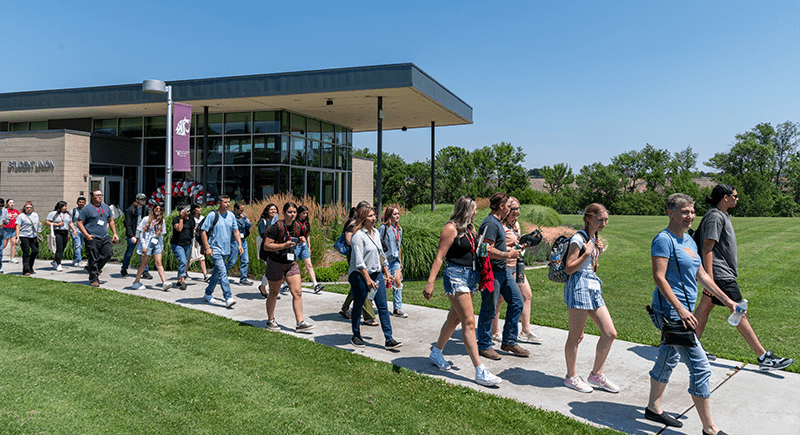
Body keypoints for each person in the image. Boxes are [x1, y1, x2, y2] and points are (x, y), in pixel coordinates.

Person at [645, 193, 736, 435]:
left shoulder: (688, 240)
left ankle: (653, 408)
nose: (690, 216)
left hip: (682, 311)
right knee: (701, 368)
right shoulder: (663, 240)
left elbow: (702, 275)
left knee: (668, 357)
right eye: (685, 212)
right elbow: (659, 277)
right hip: (672, 312)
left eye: (692, 212)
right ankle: (710, 429)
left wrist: (727, 300)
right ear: (671, 212)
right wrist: (681, 310)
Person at [693, 184, 793, 371]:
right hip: (719, 273)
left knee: (705, 307)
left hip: (719, 273)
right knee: (739, 310)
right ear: (725, 197)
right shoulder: (715, 216)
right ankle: (764, 357)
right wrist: (710, 279)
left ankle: (691, 347)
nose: (737, 199)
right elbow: (707, 247)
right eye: (735, 196)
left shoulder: (721, 215)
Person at [423, 196, 502, 386]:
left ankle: (436, 351)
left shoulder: (470, 229)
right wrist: (430, 282)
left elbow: (473, 252)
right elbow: (440, 257)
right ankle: (480, 370)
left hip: (470, 277)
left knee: (454, 319)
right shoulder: (451, 228)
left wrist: (483, 249)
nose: (476, 213)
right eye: (474, 209)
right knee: (468, 322)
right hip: (455, 276)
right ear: (466, 209)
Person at [561, 203, 619, 393]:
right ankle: (571, 376)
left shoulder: (593, 237)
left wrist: (596, 253)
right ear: (588, 219)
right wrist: (587, 253)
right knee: (576, 336)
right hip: (578, 287)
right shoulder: (578, 239)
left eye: (605, 220)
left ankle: (596, 374)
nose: (603, 223)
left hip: (592, 287)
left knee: (610, 332)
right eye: (599, 219)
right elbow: (570, 268)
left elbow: (587, 265)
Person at [476, 192, 527, 360]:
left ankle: (509, 341)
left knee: (517, 302)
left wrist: (513, 248)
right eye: (509, 206)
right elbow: (485, 249)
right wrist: (508, 254)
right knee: (489, 308)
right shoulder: (490, 223)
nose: (511, 210)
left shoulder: (497, 223)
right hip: (492, 272)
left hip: (502, 270)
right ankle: (484, 346)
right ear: (501, 207)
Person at [347, 204, 402, 350]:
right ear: (363, 218)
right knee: (359, 305)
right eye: (370, 216)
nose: (374, 218)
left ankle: (389, 339)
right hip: (359, 274)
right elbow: (359, 262)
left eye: (374, 215)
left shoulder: (376, 232)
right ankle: (356, 335)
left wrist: (386, 271)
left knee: (383, 306)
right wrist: (368, 279)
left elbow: (380, 255)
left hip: (376, 273)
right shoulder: (358, 236)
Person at [490, 198, 543, 344]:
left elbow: (516, 245)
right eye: (512, 209)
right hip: (504, 266)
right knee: (500, 300)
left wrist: (525, 243)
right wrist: (511, 249)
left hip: (517, 266)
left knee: (527, 295)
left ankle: (525, 331)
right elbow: (494, 248)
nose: (516, 212)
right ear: (505, 209)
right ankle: (494, 331)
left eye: (518, 208)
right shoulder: (500, 226)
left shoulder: (516, 225)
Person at [262, 202, 315, 332]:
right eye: (290, 212)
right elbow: (267, 245)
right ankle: (270, 320)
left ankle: (300, 323)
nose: (292, 215)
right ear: (284, 213)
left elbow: (296, 239)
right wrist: (283, 245)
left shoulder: (297, 226)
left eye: (294, 212)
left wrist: (301, 241)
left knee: (297, 292)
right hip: (275, 262)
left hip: (291, 263)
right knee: (274, 293)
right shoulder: (276, 227)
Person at [199, 194, 241, 308]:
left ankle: (208, 293)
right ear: (219, 203)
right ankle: (228, 297)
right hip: (215, 249)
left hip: (226, 250)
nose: (228, 204)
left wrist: (239, 245)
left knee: (217, 273)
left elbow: (236, 231)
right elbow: (203, 231)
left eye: (229, 202)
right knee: (222, 272)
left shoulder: (231, 216)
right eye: (225, 202)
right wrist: (207, 248)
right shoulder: (213, 215)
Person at [338, 202, 378, 325]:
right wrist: (360, 241)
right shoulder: (352, 224)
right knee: (364, 285)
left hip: (366, 257)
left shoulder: (371, 228)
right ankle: (369, 317)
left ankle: (345, 308)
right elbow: (349, 241)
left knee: (356, 286)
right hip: (355, 258)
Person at [76, 189, 119, 287]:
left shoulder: (106, 207)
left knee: (108, 253)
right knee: (93, 258)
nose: (99, 197)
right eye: (97, 195)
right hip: (92, 237)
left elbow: (111, 220)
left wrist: (114, 233)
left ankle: (93, 270)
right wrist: (86, 235)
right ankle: (94, 279)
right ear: (92, 197)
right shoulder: (87, 209)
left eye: (101, 195)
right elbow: (79, 222)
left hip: (104, 235)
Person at [130, 204, 172, 291]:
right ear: (153, 210)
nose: (158, 211)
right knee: (144, 264)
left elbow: (161, 236)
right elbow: (141, 233)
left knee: (159, 263)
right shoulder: (146, 219)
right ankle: (136, 282)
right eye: (156, 209)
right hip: (146, 243)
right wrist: (144, 246)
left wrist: (161, 246)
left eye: (160, 209)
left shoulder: (161, 221)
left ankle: (164, 282)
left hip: (156, 243)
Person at [379, 206, 405, 317]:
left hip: (395, 260)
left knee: (397, 282)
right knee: (382, 284)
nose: (397, 216)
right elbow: (378, 245)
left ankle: (397, 308)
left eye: (398, 213)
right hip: (386, 259)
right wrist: (380, 262)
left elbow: (399, 246)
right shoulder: (383, 228)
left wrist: (400, 261)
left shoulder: (399, 229)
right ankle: (368, 304)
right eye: (395, 214)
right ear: (389, 215)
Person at [294, 205, 325, 294]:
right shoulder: (294, 223)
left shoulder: (306, 223)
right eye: (304, 213)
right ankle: (286, 284)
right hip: (296, 246)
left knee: (309, 265)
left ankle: (315, 285)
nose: (305, 215)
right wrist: (299, 238)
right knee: (291, 266)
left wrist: (309, 247)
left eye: (307, 213)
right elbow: (291, 235)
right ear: (299, 213)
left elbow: (308, 235)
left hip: (304, 246)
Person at [121, 193, 152, 279]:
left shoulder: (145, 209)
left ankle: (145, 272)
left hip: (142, 234)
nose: (144, 201)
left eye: (145, 199)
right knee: (129, 252)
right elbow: (128, 224)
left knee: (144, 253)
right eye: (142, 199)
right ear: (137, 200)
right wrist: (131, 236)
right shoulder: (131, 209)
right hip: (133, 234)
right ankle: (124, 268)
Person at [226, 202, 253, 286]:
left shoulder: (243, 215)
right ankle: (220, 274)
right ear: (236, 209)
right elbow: (234, 227)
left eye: (243, 209)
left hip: (243, 240)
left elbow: (248, 226)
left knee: (245, 260)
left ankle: (243, 279)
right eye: (241, 210)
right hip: (233, 240)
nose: (242, 211)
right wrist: (241, 220)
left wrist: (246, 220)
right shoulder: (230, 216)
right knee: (232, 261)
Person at [45, 201, 76, 272]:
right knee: (59, 248)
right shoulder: (53, 213)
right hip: (57, 231)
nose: (66, 207)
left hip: (65, 232)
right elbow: (47, 222)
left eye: (66, 206)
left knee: (62, 248)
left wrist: (73, 231)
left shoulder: (67, 214)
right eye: (64, 206)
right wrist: (57, 224)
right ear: (60, 206)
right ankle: (59, 264)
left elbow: (70, 223)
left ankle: (55, 261)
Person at [257, 202, 279, 298]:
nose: (273, 211)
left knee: (271, 268)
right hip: (266, 248)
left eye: (275, 210)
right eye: (271, 209)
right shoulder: (263, 221)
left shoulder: (279, 222)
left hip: (276, 248)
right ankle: (267, 289)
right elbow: (262, 234)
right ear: (267, 211)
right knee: (271, 268)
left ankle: (263, 286)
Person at [171, 203, 195, 290]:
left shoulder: (191, 218)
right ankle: (182, 280)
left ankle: (179, 279)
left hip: (188, 243)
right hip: (177, 244)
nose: (187, 210)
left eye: (188, 209)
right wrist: (181, 218)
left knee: (184, 262)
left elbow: (192, 229)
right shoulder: (176, 219)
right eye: (185, 209)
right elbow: (179, 229)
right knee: (183, 260)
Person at [16, 201, 41, 276]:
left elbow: (37, 223)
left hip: (33, 236)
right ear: (24, 208)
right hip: (24, 235)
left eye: (30, 207)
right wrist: (17, 237)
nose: (29, 209)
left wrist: (39, 225)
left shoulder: (35, 215)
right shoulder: (21, 216)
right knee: (26, 252)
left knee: (35, 251)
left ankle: (30, 266)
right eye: (27, 208)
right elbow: (17, 227)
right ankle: (26, 270)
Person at [187, 204, 209, 282]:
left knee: (202, 257)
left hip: (200, 239)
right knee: (189, 257)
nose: (200, 209)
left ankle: (205, 275)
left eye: (200, 207)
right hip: (192, 239)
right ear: (193, 210)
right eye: (198, 208)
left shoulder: (203, 218)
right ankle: (184, 272)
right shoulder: (190, 218)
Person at [69, 196, 87, 267]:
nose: (81, 203)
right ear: (77, 203)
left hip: (83, 231)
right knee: (77, 246)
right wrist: (70, 231)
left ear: (85, 203)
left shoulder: (86, 211)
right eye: (80, 202)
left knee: (80, 246)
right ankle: (79, 261)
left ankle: (75, 259)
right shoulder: (73, 211)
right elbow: (69, 222)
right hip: (75, 231)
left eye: (83, 202)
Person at [3, 199, 20, 264]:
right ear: (7, 204)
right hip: (5, 229)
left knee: (13, 243)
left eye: (13, 202)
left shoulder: (16, 211)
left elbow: (18, 220)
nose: (12, 204)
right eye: (10, 202)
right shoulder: (4, 211)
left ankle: (12, 258)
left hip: (13, 229)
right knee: (4, 244)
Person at [0, 198, 7, 273]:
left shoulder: (5, 211)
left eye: (2, 205)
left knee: (0, 251)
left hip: (1, 234)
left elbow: (7, 221)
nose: (0, 207)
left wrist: (5, 221)